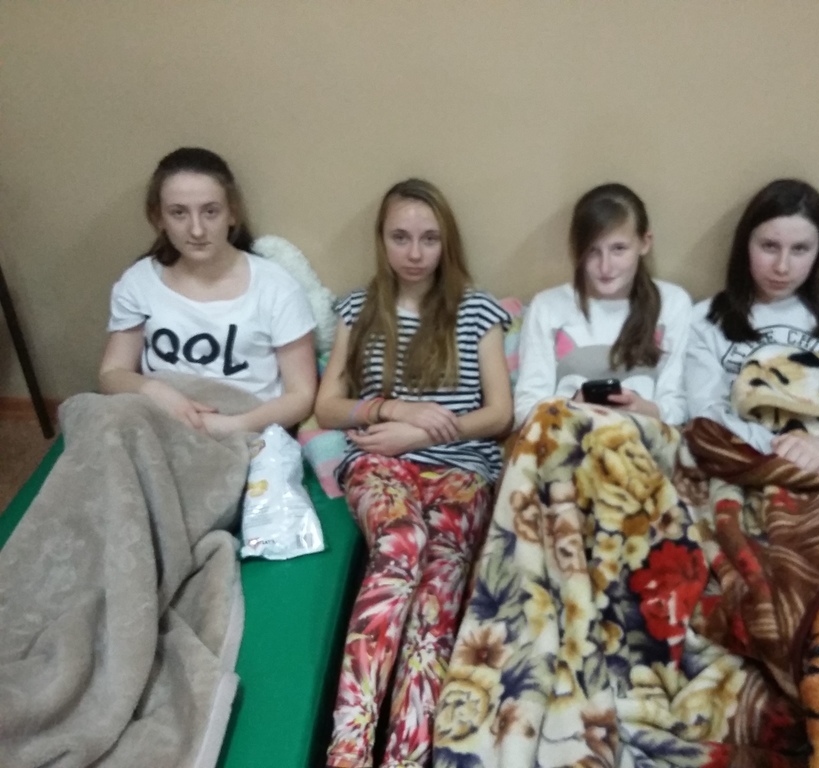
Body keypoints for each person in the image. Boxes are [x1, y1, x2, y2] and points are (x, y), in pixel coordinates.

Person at [314, 178, 512, 768]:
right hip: (381, 464)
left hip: (462, 471)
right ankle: (349, 750)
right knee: (401, 544)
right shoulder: (358, 308)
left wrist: (424, 434)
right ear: (382, 240)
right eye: (400, 237)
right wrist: (393, 411)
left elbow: (499, 414)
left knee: (438, 590)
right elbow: (328, 407)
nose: (415, 252)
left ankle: (406, 756)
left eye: (429, 238)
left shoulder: (478, 310)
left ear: (447, 243)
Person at [686, 178, 819, 497]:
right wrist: (812, 467)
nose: (782, 266)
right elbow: (708, 424)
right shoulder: (705, 320)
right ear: (746, 244)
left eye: (800, 249)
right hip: (750, 472)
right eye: (769, 246)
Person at [98, 146, 317, 434]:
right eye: (178, 213)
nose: (197, 230)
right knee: (89, 415)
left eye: (210, 212)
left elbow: (301, 395)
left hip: (243, 422)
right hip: (161, 417)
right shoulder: (140, 281)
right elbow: (112, 373)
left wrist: (232, 425)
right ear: (159, 218)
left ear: (232, 213)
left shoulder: (276, 287)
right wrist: (155, 391)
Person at [513, 182, 692, 427]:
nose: (605, 267)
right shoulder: (547, 306)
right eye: (592, 251)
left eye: (619, 249)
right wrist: (571, 408)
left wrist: (644, 409)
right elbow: (526, 409)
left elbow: (678, 406)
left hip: (643, 438)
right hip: (569, 437)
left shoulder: (672, 303)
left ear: (644, 243)